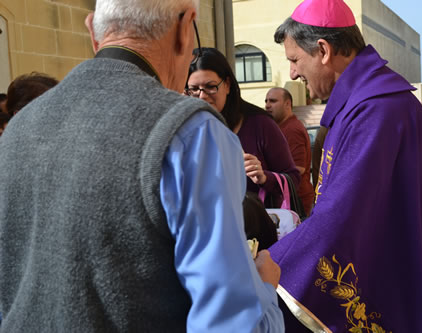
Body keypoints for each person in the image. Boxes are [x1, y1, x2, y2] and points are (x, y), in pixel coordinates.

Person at [0, 0, 284, 331]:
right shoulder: (192, 133)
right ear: (184, 29)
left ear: (92, 31)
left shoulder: (18, 129)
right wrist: (264, 291)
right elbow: (230, 323)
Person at [268, 0, 422, 331]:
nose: (292, 72)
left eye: (295, 60)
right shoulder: (363, 100)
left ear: (323, 50)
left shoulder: (376, 110)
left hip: (395, 267)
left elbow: (341, 214)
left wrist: (273, 261)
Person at [186, 47, 299, 207]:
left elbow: (293, 179)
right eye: (194, 89)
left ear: (227, 84)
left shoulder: (260, 124)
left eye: (211, 86)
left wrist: (264, 177)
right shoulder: (185, 129)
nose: (202, 96)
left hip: (255, 228)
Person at [265, 87, 314, 215]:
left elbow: (298, 168)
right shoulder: (282, 127)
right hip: (289, 200)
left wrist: (266, 176)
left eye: (273, 101)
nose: (267, 105)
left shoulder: (292, 129)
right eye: (266, 101)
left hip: (296, 202)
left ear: (287, 104)